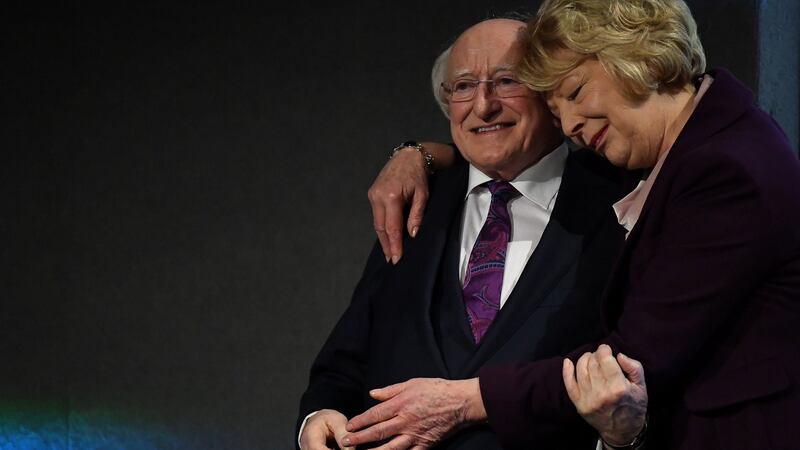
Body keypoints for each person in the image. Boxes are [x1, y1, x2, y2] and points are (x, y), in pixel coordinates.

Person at [349, 0, 800, 449]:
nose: (569, 125)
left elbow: (630, 361)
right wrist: (419, 154)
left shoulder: (724, 170)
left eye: (576, 92)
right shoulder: (697, 143)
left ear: (634, 55)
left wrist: (466, 400)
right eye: (555, 106)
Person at [297, 17, 639, 450]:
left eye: (506, 81)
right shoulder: (413, 202)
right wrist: (319, 417)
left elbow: (636, 379)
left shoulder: (624, 205)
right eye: (462, 87)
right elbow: (343, 364)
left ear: (551, 92)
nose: (483, 106)